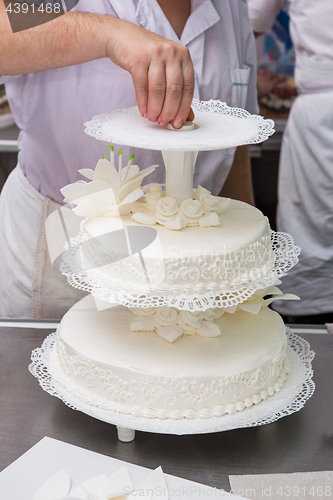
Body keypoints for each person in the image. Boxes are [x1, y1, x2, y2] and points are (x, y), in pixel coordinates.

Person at [0, 0, 258, 319]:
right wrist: (109, 33)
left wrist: (248, 261)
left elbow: (234, 138)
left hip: (190, 262)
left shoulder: (231, 7)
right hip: (64, 254)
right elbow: (6, 22)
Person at [248, 0, 333, 323]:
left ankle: (310, 314)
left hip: (319, 109)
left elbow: (251, 22)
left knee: (315, 228)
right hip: (319, 108)